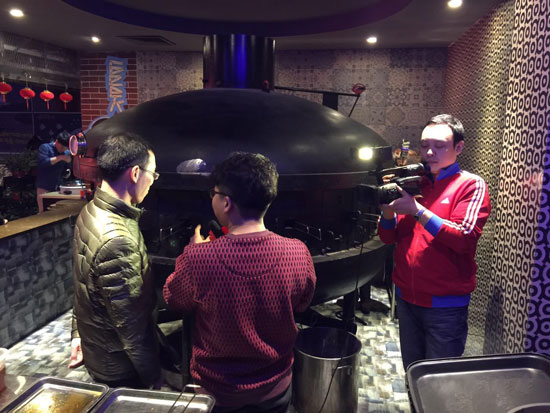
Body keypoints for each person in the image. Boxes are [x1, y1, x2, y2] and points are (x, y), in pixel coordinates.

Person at [164, 152, 316, 412]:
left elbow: (173, 298)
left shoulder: (199, 258)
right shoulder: (298, 252)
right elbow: (303, 303)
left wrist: (192, 252)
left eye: (213, 192)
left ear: (226, 203)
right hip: (275, 387)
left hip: (217, 392)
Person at [378, 114, 491, 370]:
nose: (429, 152)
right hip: (407, 299)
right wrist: (387, 212)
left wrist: (417, 210)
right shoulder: (416, 184)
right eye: (425, 145)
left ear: (458, 147)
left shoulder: (471, 185)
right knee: (413, 372)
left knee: (440, 380)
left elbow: (464, 237)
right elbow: (388, 237)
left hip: (445, 306)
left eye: (439, 146)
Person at [70, 133, 165, 388]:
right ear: (135, 173)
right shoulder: (117, 240)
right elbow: (132, 328)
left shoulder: (90, 211)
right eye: (153, 174)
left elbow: (82, 284)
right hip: (120, 367)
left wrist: (77, 334)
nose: (153, 181)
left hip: (99, 350)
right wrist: (154, 379)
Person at [36, 130, 71, 213]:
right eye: (62, 147)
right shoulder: (45, 147)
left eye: (66, 148)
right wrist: (60, 157)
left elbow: (67, 167)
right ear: (57, 141)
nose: (63, 150)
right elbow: (43, 163)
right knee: (43, 212)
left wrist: (68, 167)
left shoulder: (66, 152)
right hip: (44, 186)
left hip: (58, 186)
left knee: (57, 212)